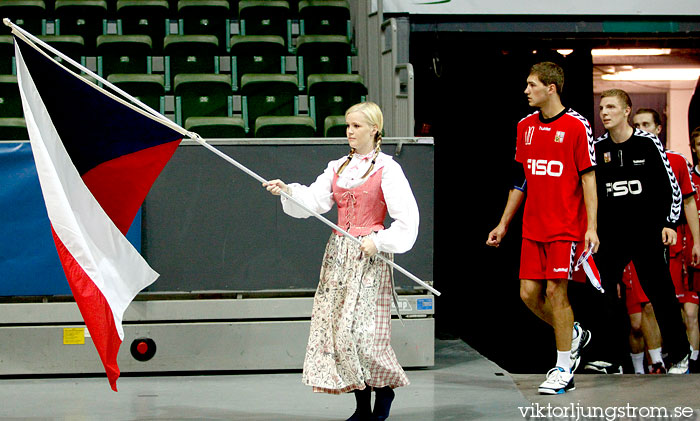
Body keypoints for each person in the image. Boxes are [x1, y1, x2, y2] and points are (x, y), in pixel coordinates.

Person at [263, 101, 419, 421]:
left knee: (363, 331)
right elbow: (315, 201)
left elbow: (407, 219)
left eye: (357, 126)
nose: (350, 131)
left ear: (374, 129)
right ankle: (362, 407)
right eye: (348, 125)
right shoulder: (338, 167)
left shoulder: (387, 168)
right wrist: (288, 191)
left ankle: (384, 391)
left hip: (368, 255)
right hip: (338, 255)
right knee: (340, 332)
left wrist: (378, 241)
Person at [486, 61, 598, 395]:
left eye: (532, 84)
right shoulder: (524, 126)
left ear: (551, 88)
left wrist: (592, 227)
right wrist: (503, 224)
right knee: (527, 294)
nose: (526, 90)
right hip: (533, 226)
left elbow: (588, 178)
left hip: (565, 226)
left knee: (555, 292)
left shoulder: (577, 126)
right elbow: (520, 180)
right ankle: (573, 333)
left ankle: (563, 368)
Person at [586, 89, 691, 375]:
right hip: (611, 236)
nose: (604, 112)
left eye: (611, 107)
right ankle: (609, 358)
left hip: (646, 233)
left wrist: (669, 223)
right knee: (602, 293)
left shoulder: (648, 143)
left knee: (661, 295)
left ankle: (680, 355)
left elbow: (671, 187)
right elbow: (590, 193)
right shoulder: (597, 147)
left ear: (626, 111)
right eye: (602, 108)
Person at [632, 109, 700, 373]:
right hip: (639, 243)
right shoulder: (627, 158)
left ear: (659, 128)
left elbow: (689, 201)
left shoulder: (676, 160)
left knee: (675, 305)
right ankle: (656, 363)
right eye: (637, 124)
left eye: (647, 124)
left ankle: (682, 357)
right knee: (646, 306)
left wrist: (697, 242)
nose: (642, 129)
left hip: (672, 247)